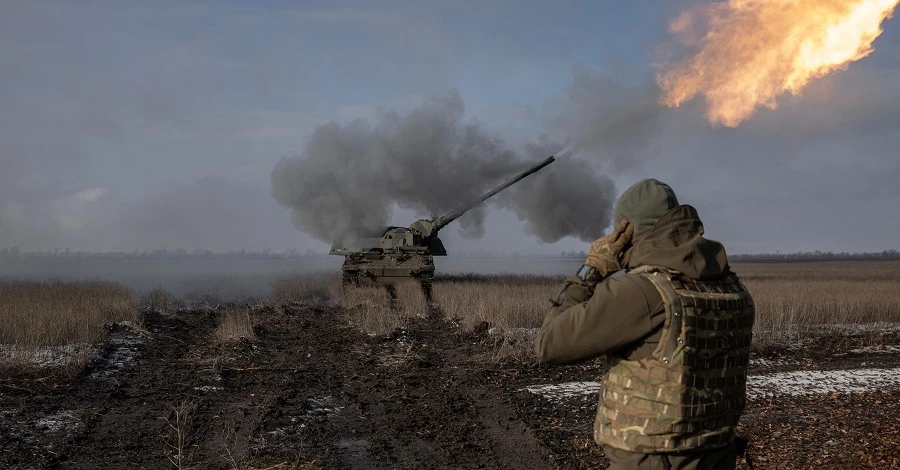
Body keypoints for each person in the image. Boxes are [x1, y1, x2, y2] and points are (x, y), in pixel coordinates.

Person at [534, 178, 755, 470]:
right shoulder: (733, 288)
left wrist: (591, 270)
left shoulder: (641, 290)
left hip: (651, 461)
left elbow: (549, 344)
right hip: (717, 456)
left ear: (625, 234)